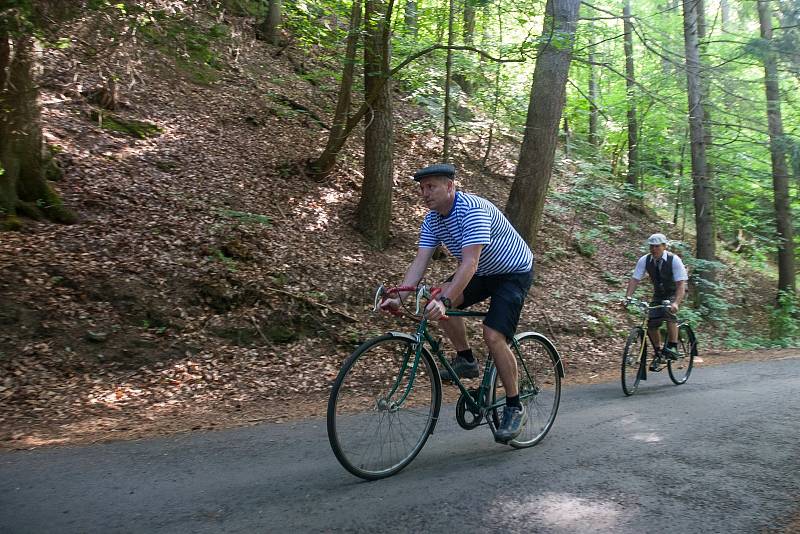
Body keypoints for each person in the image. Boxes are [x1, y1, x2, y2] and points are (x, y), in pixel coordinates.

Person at [379, 163, 534, 443]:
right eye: (422, 188)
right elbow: (420, 262)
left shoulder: (472, 210)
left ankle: (514, 406)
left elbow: (470, 262)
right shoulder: (432, 219)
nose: (425, 193)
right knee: (437, 301)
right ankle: (466, 360)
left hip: (512, 272)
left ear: (450, 186)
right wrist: (399, 295)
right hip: (482, 272)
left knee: (493, 335)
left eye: (431, 187)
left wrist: (447, 299)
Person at [623, 233, 688, 370]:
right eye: (651, 246)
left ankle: (673, 346)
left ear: (664, 246)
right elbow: (635, 279)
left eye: (657, 246)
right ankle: (658, 352)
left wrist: (676, 302)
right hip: (659, 294)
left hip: (674, 292)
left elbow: (681, 284)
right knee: (651, 322)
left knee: (668, 312)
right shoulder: (645, 260)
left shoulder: (673, 260)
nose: (653, 249)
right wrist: (627, 297)